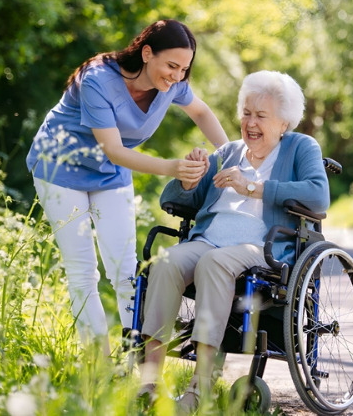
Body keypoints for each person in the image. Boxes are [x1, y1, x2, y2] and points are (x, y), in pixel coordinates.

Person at [26, 19, 228, 355]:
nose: (177, 76)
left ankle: (138, 358)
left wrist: (234, 157)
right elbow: (115, 150)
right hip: (59, 169)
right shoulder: (97, 79)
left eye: (184, 69)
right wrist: (172, 168)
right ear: (147, 53)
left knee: (125, 268)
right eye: (172, 66)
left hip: (109, 175)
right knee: (83, 271)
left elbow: (202, 113)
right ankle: (99, 364)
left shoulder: (174, 85)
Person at [138, 70, 330, 411]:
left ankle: (200, 386)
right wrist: (190, 178)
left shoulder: (301, 147)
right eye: (246, 113)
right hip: (208, 239)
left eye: (261, 116)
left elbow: (318, 196)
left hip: (262, 247)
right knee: (165, 263)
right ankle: (148, 383)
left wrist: (252, 187)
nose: (250, 123)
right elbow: (177, 202)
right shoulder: (227, 152)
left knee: (215, 262)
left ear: (284, 123)